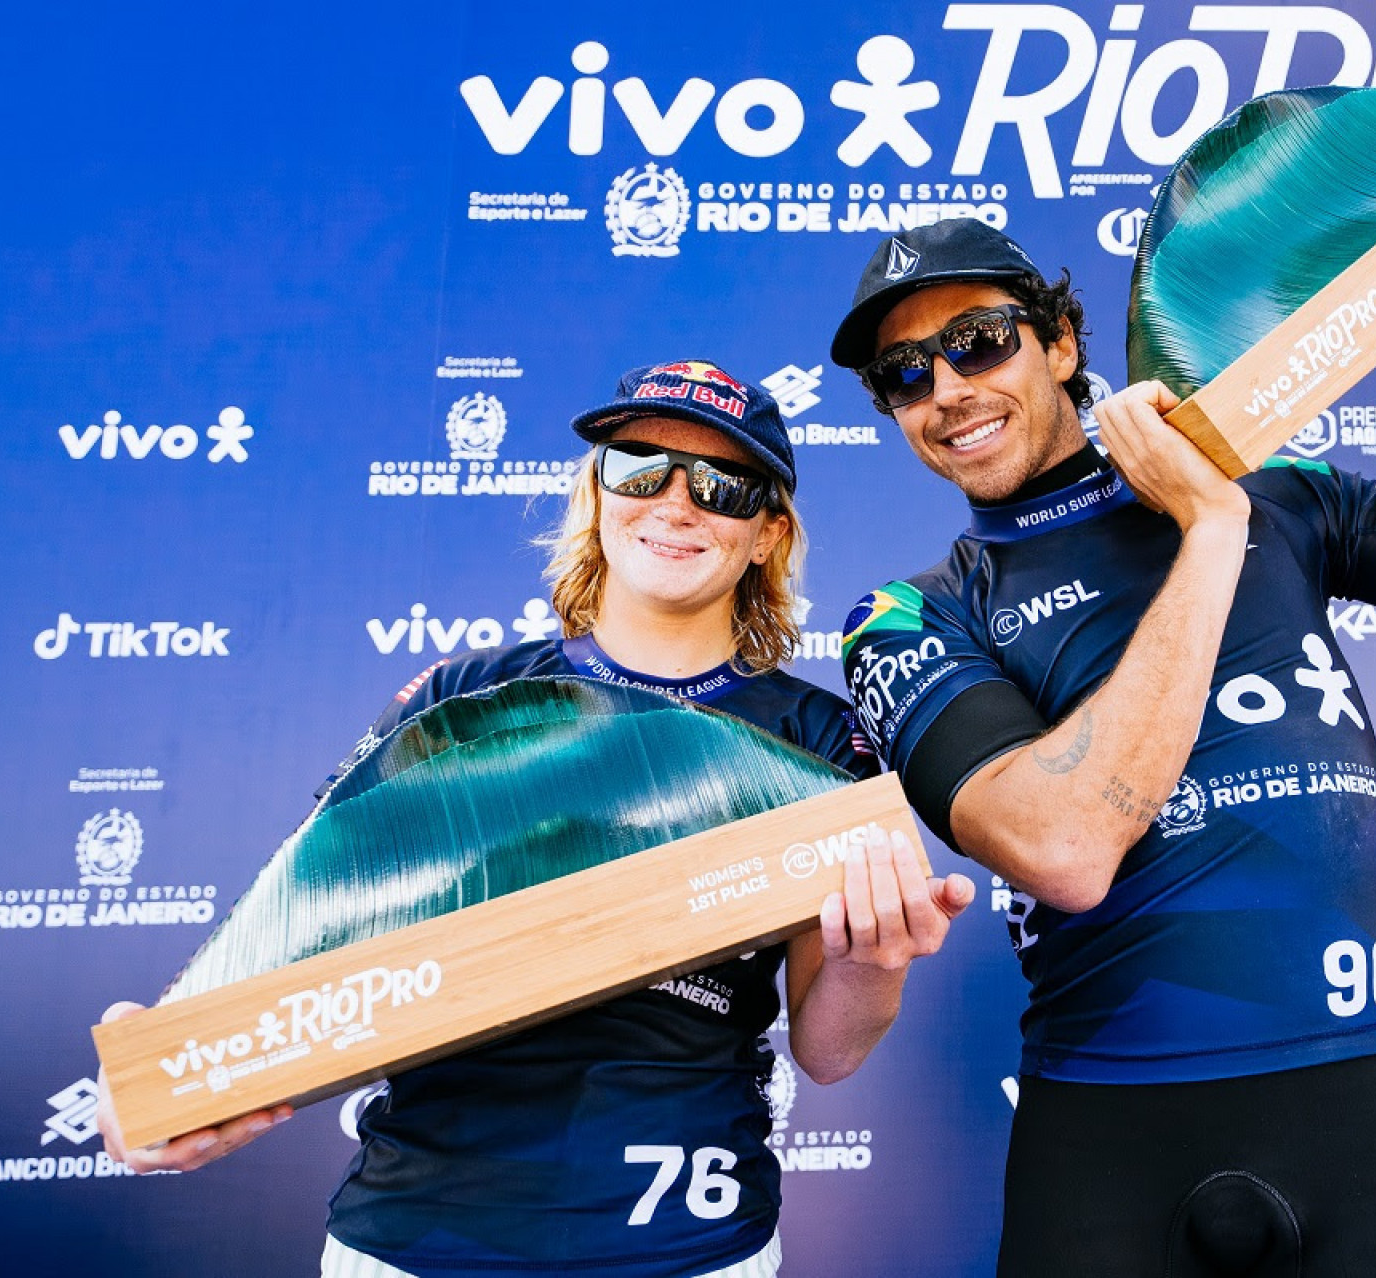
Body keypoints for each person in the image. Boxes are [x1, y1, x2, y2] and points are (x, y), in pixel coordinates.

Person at [829, 156, 1376, 1278]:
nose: (946, 390)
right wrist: (1210, 535)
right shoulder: (907, 617)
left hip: (1356, 1103)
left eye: (978, 341)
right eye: (903, 375)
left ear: (1060, 343)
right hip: (1110, 1132)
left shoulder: (1283, 495)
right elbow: (1063, 847)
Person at [96, 359, 975, 1278]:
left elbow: (828, 1053)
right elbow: (304, 926)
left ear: (767, 535)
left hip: (685, 1244)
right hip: (417, 1236)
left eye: (721, 486)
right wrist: (174, 1060)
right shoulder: (466, 699)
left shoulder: (817, 741)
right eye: (639, 467)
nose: (675, 504)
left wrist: (873, 963)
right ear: (596, 496)